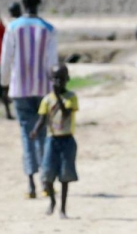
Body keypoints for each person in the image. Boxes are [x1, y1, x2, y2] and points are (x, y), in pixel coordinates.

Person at [1, 0, 59, 198]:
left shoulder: (13, 27)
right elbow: (52, 63)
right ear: (39, 2)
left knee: (27, 135)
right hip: (43, 90)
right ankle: (46, 182)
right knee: (43, 134)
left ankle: (30, 184)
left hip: (20, 90)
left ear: (23, 3)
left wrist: (5, 83)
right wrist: (55, 91)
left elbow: (6, 59)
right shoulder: (49, 29)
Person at [30, 64, 78, 219]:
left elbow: (65, 114)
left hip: (67, 140)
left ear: (67, 80)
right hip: (52, 140)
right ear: (51, 80)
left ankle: (63, 209)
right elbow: (42, 118)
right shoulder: (46, 100)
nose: (58, 82)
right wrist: (35, 130)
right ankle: (52, 201)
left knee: (65, 176)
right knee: (47, 174)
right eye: (55, 78)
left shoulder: (71, 97)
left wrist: (58, 97)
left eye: (61, 79)